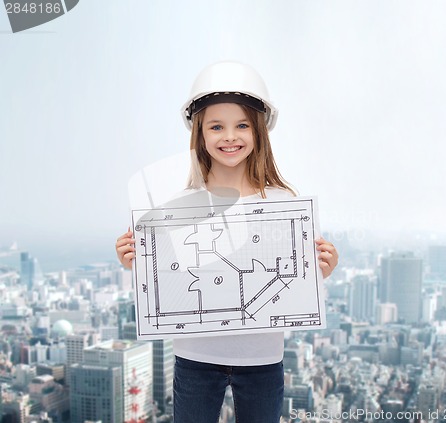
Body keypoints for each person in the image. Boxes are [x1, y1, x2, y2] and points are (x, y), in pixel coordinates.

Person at [116, 61, 338, 423]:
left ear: (259, 131)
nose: (229, 136)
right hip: (195, 359)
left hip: (262, 360)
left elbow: (294, 287)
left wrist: (320, 272)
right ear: (199, 133)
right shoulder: (176, 206)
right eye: (216, 126)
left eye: (242, 125)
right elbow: (171, 281)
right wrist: (135, 265)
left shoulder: (283, 202)